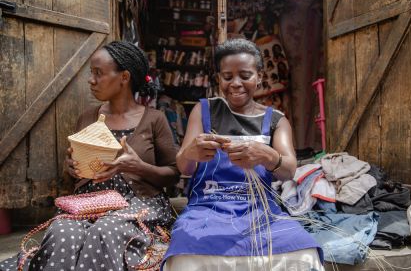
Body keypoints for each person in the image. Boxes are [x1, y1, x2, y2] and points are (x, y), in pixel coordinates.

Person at [0, 41, 180, 271]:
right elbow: (77, 170)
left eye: (98, 73)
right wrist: (72, 167)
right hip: (88, 203)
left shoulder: (154, 119)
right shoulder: (87, 117)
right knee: (61, 232)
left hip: (138, 204)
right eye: (91, 73)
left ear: (124, 77)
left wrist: (137, 166)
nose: (91, 80)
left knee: (106, 230)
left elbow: (173, 174)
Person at [162, 39, 324, 270]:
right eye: (227, 77)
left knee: (304, 252)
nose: (236, 84)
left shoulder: (276, 120)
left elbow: (289, 171)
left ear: (259, 76)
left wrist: (266, 155)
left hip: (260, 211)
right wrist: (191, 152)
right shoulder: (203, 110)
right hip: (208, 208)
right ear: (219, 78)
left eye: (245, 76)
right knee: (186, 254)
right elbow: (184, 168)